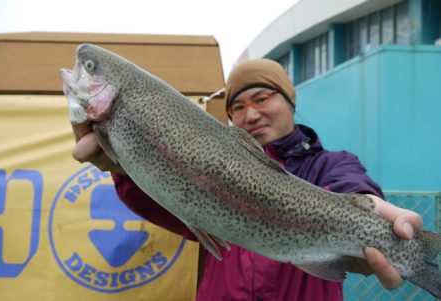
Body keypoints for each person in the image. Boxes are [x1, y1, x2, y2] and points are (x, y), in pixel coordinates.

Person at [71, 59, 422, 301]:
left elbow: (350, 188)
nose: (250, 114)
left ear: (289, 100)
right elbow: (165, 201)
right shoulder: (209, 171)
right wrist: (123, 167)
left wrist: (371, 217)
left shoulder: (332, 164)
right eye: (236, 107)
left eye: (262, 98)